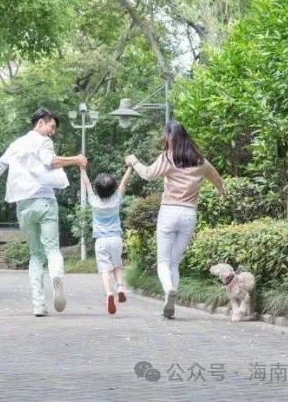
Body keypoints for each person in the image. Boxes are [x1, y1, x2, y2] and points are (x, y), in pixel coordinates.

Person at [0, 108, 87, 317]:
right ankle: (56, 278)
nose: (52, 132)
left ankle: (38, 305)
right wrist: (76, 159)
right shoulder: (44, 141)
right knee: (52, 250)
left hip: (24, 206)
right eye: (51, 127)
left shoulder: (16, 145)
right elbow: (50, 162)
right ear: (41, 122)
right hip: (45, 202)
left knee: (35, 255)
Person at [125, 121, 224, 319]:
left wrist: (133, 161)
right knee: (174, 262)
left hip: (169, 212)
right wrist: (221, 191)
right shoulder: (200, 160)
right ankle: (170, 303)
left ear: (171, 137)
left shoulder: (168, 157)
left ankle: (168, 290)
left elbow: (147, 174)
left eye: (166, 136)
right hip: (188, 215)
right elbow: (217, 179)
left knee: (163, 261)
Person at [80, 165, 133, 315]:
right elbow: (124, 182)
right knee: (117, 265)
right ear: (114, 188)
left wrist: (82, 168)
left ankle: (109, 293)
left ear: (97, 190)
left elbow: (87, 184)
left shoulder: (94, 201)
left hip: (101, 241)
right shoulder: (116, 200)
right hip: (115, 239)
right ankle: (120, 287)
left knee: (105, 269)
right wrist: (130, 167)